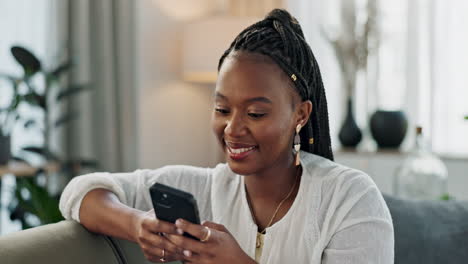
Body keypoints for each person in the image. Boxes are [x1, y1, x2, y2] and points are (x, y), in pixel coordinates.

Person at [59, 9, 394, 264]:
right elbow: (80, 193)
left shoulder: (349, 199)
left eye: (255, 113)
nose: (232, 128)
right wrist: (137, 225)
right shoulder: (202, 189)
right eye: (222, 109)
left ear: (300, 115)